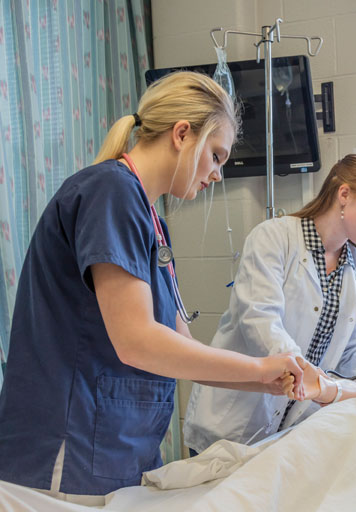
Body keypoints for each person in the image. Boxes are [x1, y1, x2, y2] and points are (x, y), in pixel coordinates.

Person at [0, 71, 305, 504]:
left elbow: (181, 350)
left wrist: (269, 379)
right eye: (216, 156)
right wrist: (259, 370)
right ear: (182, 134)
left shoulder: (151, 220)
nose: (217, 175)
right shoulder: (110, 192)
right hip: (67, 447)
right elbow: (137, 341)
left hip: (114, 450)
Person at [183, 154, 356, 454]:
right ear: (345, 194)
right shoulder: (274, 237)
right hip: (232, 418)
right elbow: (259, 319)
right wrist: (302, 370)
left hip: (291, 426)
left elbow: (353, 349)